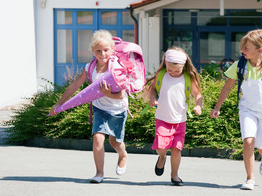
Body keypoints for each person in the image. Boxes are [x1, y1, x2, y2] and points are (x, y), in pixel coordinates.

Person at [210, 29, 262, 190]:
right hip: (247, 110)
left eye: (246, 48)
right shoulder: (240, 65)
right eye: (242, 47)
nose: (242, 51)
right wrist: (217, 107)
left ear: (260, 50)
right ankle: (250, 178)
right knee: (248, 141)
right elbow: (227, 87)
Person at [49, 30, 128, 184]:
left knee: (115, 142)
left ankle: (123, 155)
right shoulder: (89, 68)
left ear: (112, 50)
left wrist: (107, 93)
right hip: (100, 109)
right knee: (98, 138)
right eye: (98, 51)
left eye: (106, 50)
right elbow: (74, 86)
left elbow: (120, 95)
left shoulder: (117, 67)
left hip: (117, 109)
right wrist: (59, 103)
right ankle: (99, 173)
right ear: (92, 51)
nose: (102, 54)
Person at [144, 46, 203, 186]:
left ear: (184, 66)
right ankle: (162, 157)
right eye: (170, 69)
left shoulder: (188, 78)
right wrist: (152, 98)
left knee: (177, 150)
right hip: (163, 119)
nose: (173, 73)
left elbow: (198, 95)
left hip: (180, 120)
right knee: (161, 148)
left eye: (177, 70)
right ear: (165, 64)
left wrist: (198, 105)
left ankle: (174, 175)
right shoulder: (162, 75)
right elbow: (152, 89)